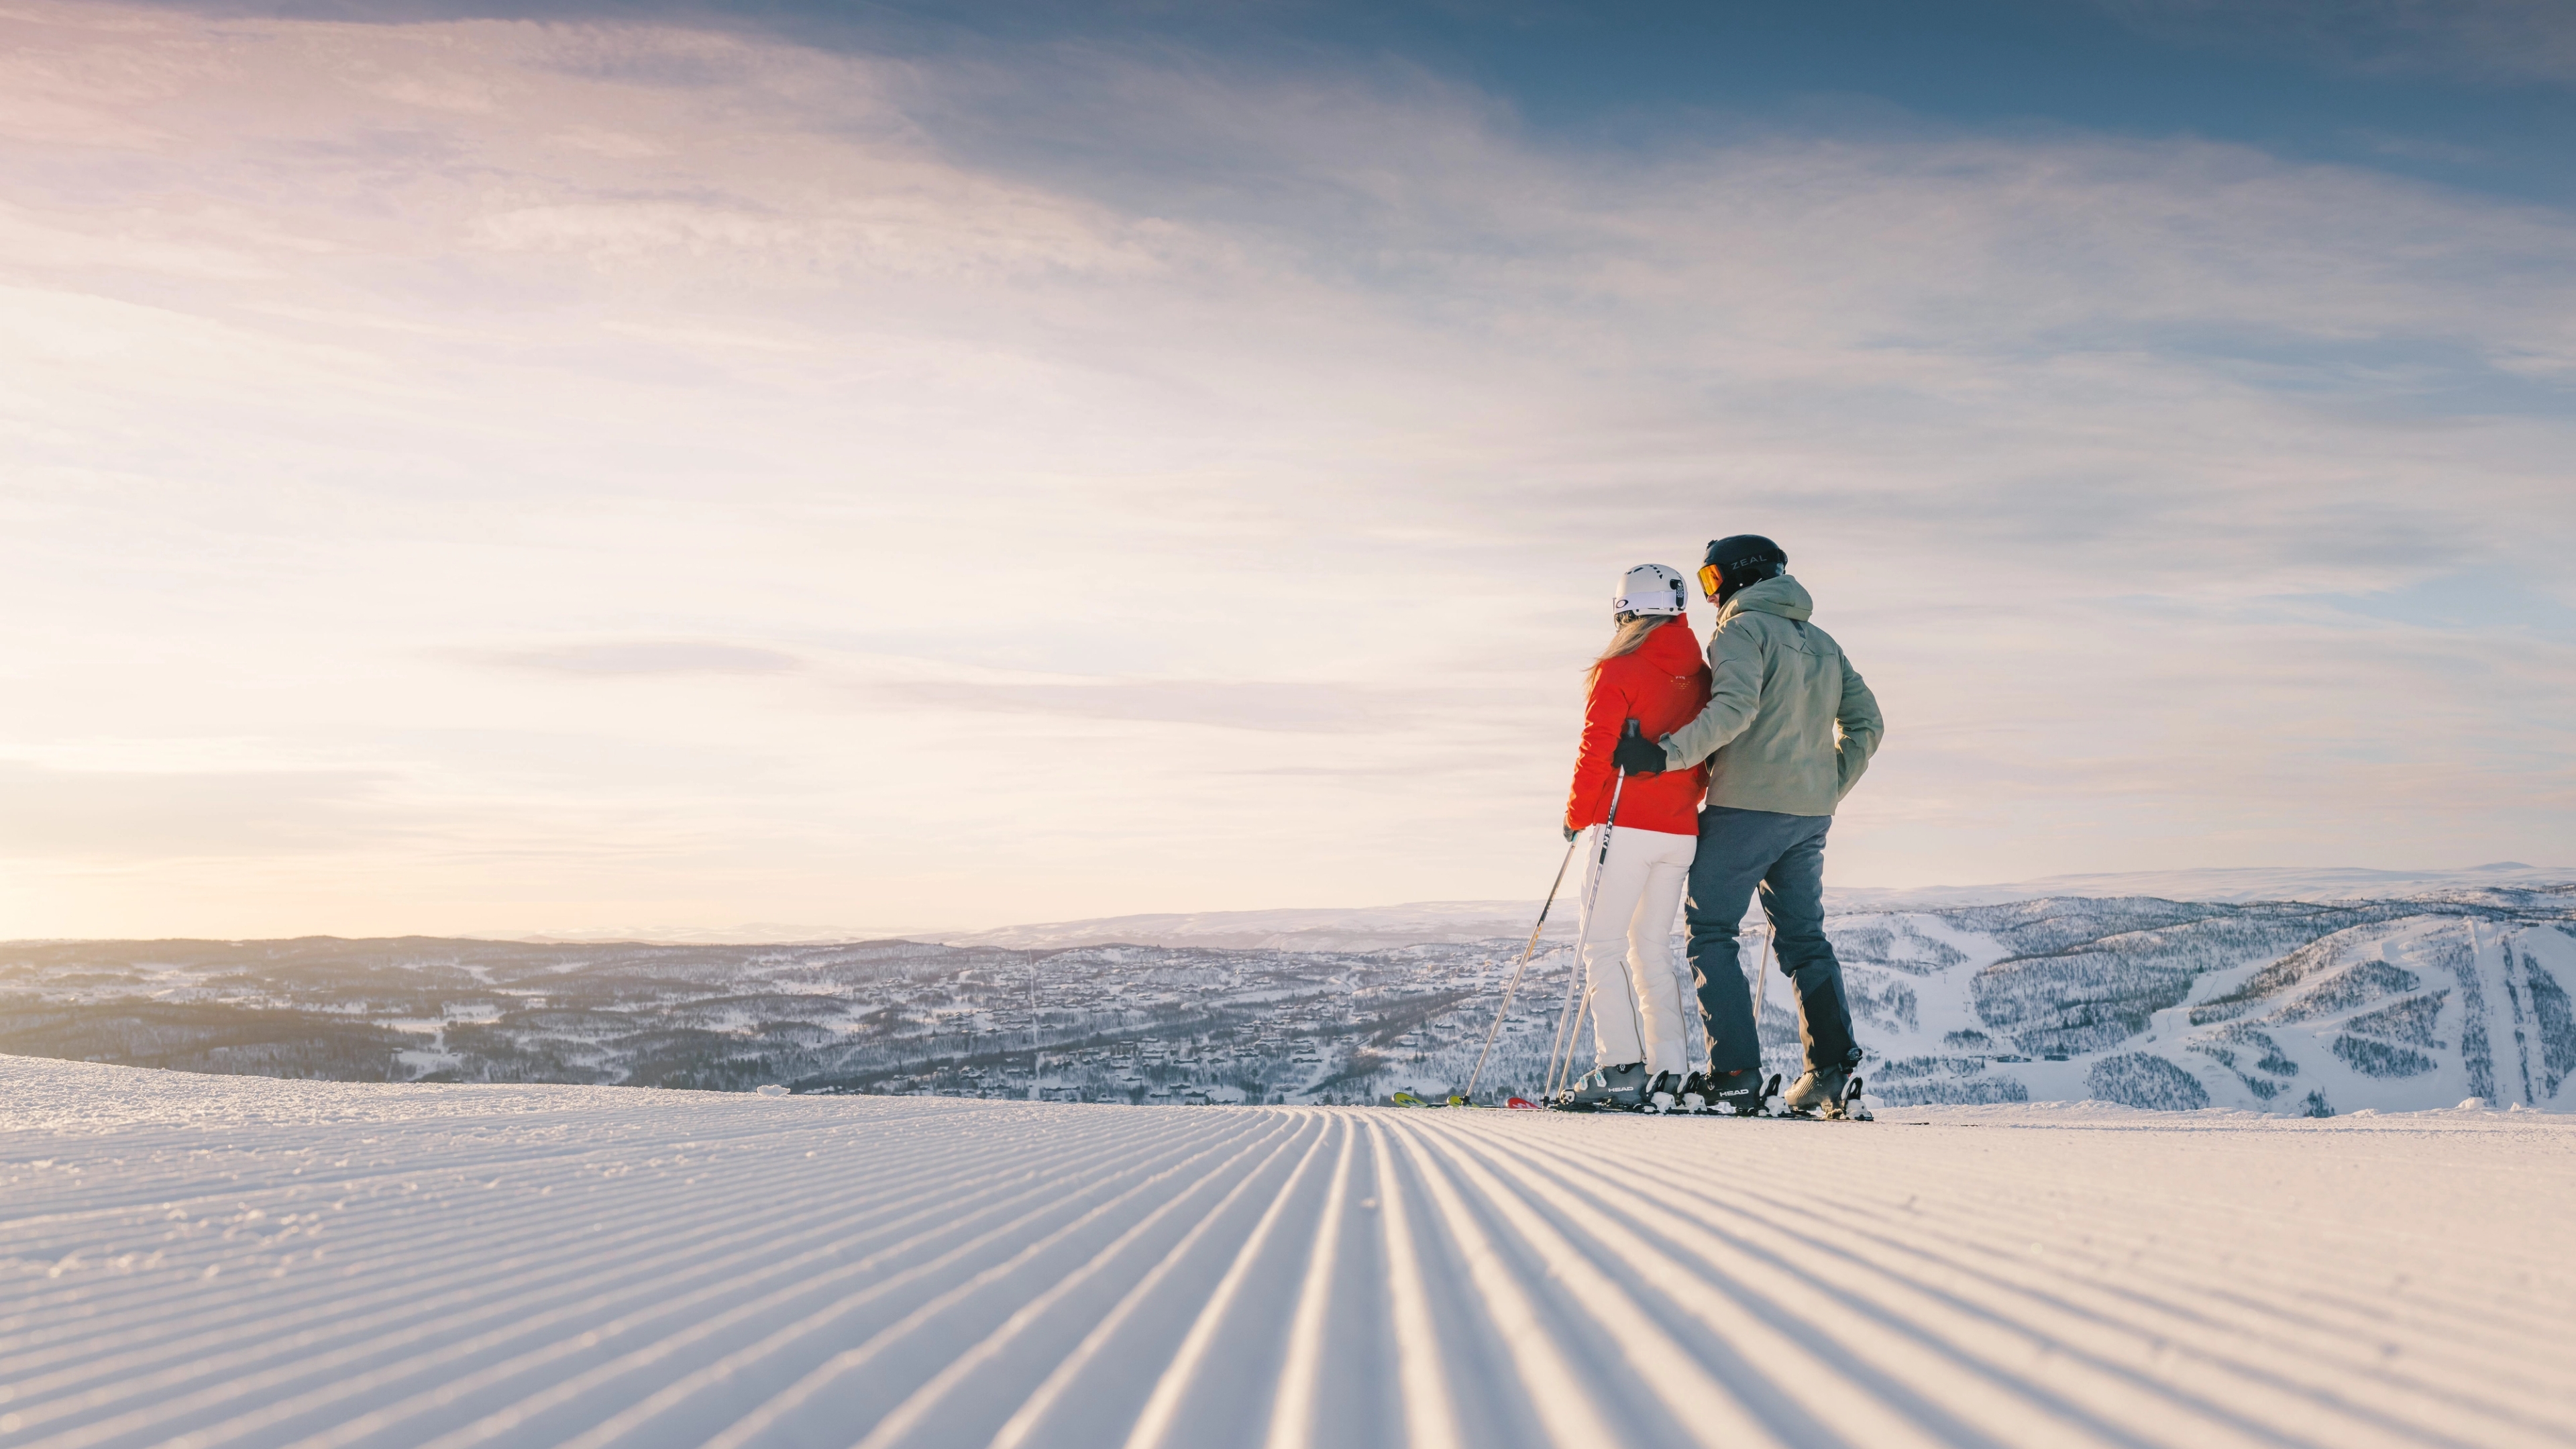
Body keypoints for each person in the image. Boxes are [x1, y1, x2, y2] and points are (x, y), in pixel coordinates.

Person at [1612, 535, 1884, 1116]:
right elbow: (1868, 724)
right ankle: (1831, 1073)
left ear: (1741, 576)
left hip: (1745, 810)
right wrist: (1827, 786)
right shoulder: (1825, 643)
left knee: (1711, 932)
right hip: (1809, 816)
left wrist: (1664, 755)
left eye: (1712, 581)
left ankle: (1734, 1074)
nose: (1711, 595)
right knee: (1805, 939)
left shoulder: (1741, 633)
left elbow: (1733, 710)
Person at [1556, 564, 1713, 1110]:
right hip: (1681, 829)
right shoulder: (1702, 672)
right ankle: (1670, 1070)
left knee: (1602, 945)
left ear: (1625, 610)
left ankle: (1620, 1067)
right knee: (1650, 948)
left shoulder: (1618, 668)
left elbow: (1595, 751)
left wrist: (1577, 815)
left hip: (1623, 825)